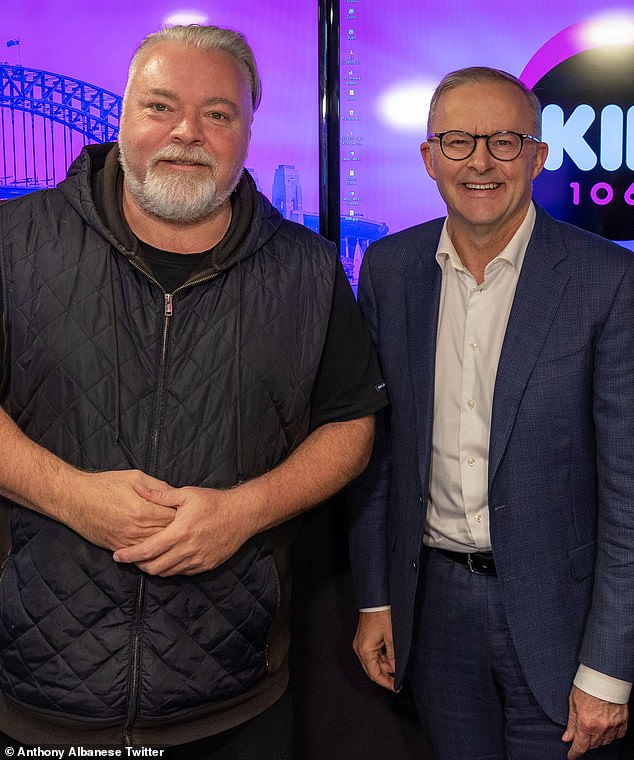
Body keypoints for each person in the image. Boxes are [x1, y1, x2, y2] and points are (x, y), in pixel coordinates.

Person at [0, 24, 386, 755]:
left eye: (218, 113)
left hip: (236, 694)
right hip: (41, 688)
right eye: (160, 107)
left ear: (247, 131)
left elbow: (349, 428)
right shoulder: (14, 241)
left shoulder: (307, 269)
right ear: (120, 117)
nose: (187, 132)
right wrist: (73, 498)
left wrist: (243, 512)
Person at [347, 66, 634, 760]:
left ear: (539, 155)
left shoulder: (607, 280)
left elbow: (629, 492)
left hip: (561, 622)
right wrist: (375, 599)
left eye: (505, 142)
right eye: (458, 141)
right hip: (432, 609)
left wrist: (609, 668)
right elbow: (376, 453)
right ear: (429, 158)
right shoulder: (388, 269)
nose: (480, 161)